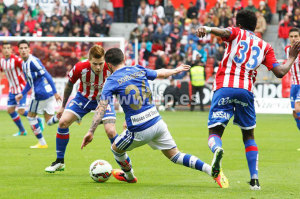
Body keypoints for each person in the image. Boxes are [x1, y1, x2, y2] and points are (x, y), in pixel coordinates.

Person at [81, 48, 229, 188]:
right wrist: (175, 70)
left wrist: (91, 131)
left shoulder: (111, 81)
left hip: (139, 129)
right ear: (124, 59)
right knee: (175, 155)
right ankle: (211, 171)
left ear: (108, 65)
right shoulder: (137, 69)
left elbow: (101, 107)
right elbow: (160, 73)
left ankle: (129, 176)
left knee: (116, 150)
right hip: (157, 122)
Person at [196, 10, 300, 190]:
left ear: (239, 25)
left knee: (215, 132)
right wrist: (291, 58)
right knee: (248, 135)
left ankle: (217, 149)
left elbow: (225, 33)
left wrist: (207, 28)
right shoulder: (265, 46)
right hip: (246, 91)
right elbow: (280, 72)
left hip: (224, 86)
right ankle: (254, 180)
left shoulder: (237, 32)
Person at [45, 45, 117, 173]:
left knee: (111, 131)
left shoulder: (111, 68)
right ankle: (59, 161)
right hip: (83, 99)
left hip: (104, 100)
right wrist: (62, 107)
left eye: (101, 63)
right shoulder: (80, 67)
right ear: (89, 60)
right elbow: (69, 85)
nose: (98, 67)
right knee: (63, 123)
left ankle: (125, 166)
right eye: (95, 64)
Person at [15, 40, 61, 149]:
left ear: (29, 49)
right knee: (49, 121)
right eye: (21, 48)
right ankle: (68, 115)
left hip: (40, 94)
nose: (23, 50)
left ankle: (42, 143)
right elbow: (30, 82)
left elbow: (47, 75)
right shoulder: (24, 64)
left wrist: (55, 92)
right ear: (19, 50)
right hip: (47, 93)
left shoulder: (33, 61)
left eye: (25, 48)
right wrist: (22, 94)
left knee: (31, 117)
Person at [0, 42, 28, 136]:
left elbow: (26, 69)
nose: (6, 50)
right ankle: (22, 131)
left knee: (21, 111)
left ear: (11, 50)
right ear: (2, 50)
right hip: (12, 90)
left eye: (8, 48)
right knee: (10, 110)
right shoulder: (2, 61)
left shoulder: (16, 60)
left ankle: (38, 118)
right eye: (5, 48)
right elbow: (1, 72)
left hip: (21, 88)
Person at [285, 28, 300, 134]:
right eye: (291, 36)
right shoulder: (287, 49)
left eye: (296, 36)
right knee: (295, 113)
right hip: (294, 85)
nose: (294, 38)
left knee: (298, 107)